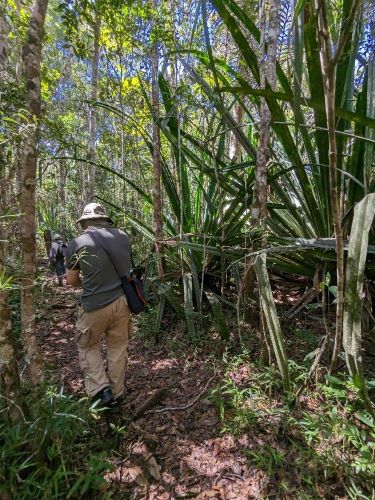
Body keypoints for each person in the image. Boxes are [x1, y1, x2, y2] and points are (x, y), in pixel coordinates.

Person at [66, 203, 132, 408]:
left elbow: (71, 280)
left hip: (94, 304)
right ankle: (117, 391)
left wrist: (88, 284)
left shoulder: (78, 242)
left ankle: (101, 390)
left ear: (85, 221)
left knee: (87, 344)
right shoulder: (123, 236)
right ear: (105, 219)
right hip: (122, 302)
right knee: (118, 346)